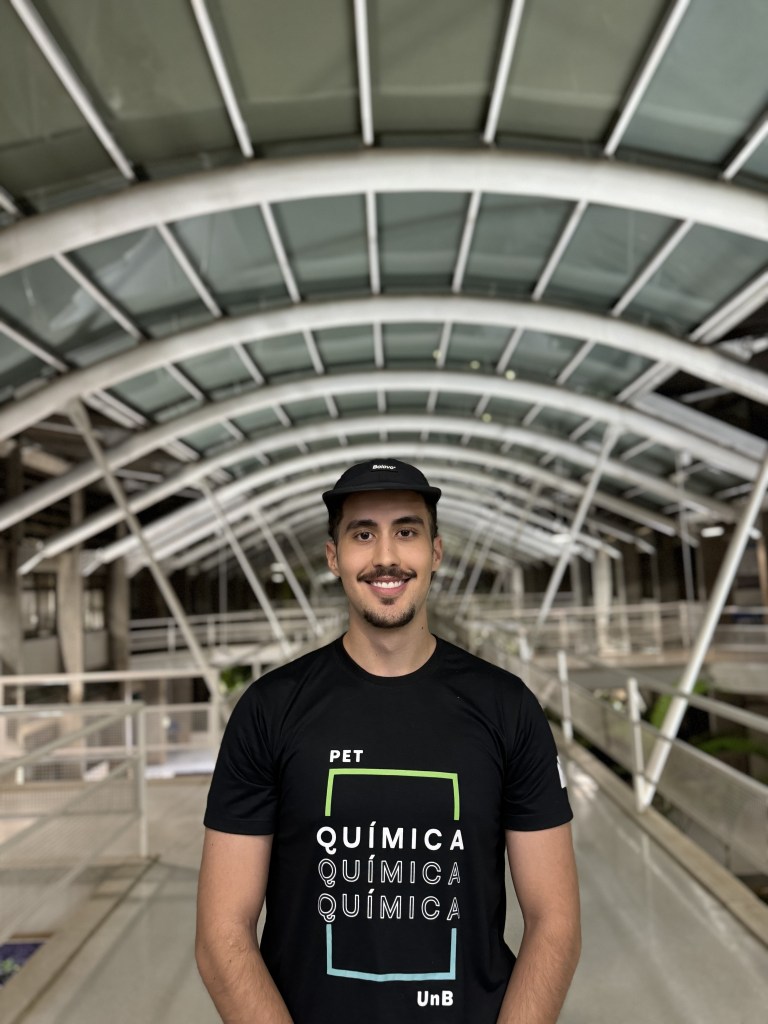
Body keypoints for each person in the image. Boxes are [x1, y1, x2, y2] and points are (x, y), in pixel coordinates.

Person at [196, 458, 581, 1023]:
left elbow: (556, 923)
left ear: (435, 552)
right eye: (362, 535)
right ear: (333, 557)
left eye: (406, 532)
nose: (385, 556)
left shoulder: (507, 707)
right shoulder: (269, 710)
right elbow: (221, 935)